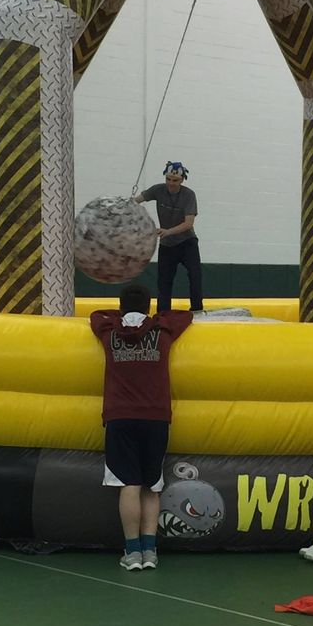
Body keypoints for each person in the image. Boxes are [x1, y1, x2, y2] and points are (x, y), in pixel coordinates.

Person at [90, 283, 193, 570]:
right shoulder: (162, 332)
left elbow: (96, 315)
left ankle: (132, 551)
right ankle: (150, 550)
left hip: (120, 416)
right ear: (149, 306)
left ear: (121, 307)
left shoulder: (109, 332)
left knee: (129, 484)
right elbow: (184, 315)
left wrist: (123, 317)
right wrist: (152, 319)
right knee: (152, 485)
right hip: (156, 417)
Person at [135, 161, 203, 312]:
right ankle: (163, 313)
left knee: (195, 275)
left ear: (182, 180)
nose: (171, 183)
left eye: (175, 181)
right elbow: (137, 200)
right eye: (168, 179)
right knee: (164, 282)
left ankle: (197, 309)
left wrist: (168, 231)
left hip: (187, 242)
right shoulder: (158, 190)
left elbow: (188, 223)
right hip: (167, 245)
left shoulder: (188, 195)